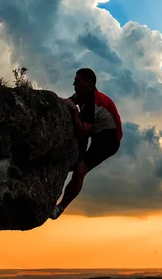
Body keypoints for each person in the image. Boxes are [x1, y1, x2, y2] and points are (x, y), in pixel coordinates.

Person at [49, 68, 122, 220]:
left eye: (77, 81)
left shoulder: (92, 103)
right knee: (72, 163)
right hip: (95, 133)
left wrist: (75, 112)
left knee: (80, 170)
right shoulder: (82, 95)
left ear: (88, 83)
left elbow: (83, 131)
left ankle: (60, 207)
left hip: (108, 141)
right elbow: (68, 102)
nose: (74, 84)